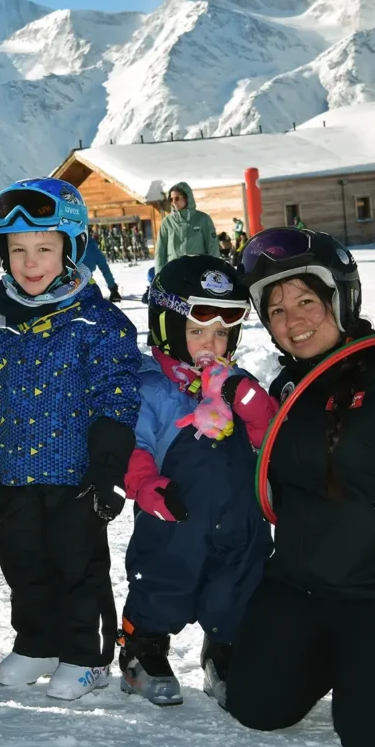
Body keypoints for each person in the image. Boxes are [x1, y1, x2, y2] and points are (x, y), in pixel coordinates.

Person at [227, 228, 375, 747]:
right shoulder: (286, 389)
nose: (293, 321)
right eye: (275, 311)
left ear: (340, 300)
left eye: (306, 302)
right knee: (256, 709)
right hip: (299, 587)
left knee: (371, 738)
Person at [0, 179, 142, 700]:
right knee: (23, 561)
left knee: (77, 567)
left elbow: (118, 398)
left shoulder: (97, 321)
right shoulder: (0, 319)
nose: (30, 262)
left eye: (44, 249)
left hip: (77, 475)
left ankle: (86, 657)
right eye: (18, 250)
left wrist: (108, 470)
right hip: (18, 472)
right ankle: (37, 644)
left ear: (70, 249)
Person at [120, 256, 275, 706]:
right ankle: (142, 649)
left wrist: (247, 401)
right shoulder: (154, 388)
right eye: (197, 331)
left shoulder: (238, 383)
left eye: (223, 332)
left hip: (238, 517)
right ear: (169, 328)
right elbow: (136, 445)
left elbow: (269, 439)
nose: (212, 343)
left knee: (238, 583)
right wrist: (146, 486)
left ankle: (224, 651)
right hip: (176, 514)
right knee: (165, 578)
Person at [154, 182, 220, 272]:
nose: (173, 202)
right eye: (171, 199)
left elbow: (212, 247)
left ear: (187, 198)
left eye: (177, 198)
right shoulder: (167, 222)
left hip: (198, 272)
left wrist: (213, 271)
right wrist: (159, 275)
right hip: (174, 273)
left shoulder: (203, 219)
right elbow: (160, 252)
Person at [84, 234, 121, 303]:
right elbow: (106, 271)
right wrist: (113, 289)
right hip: (86, 284)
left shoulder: (69, 246)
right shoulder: (94, 250)